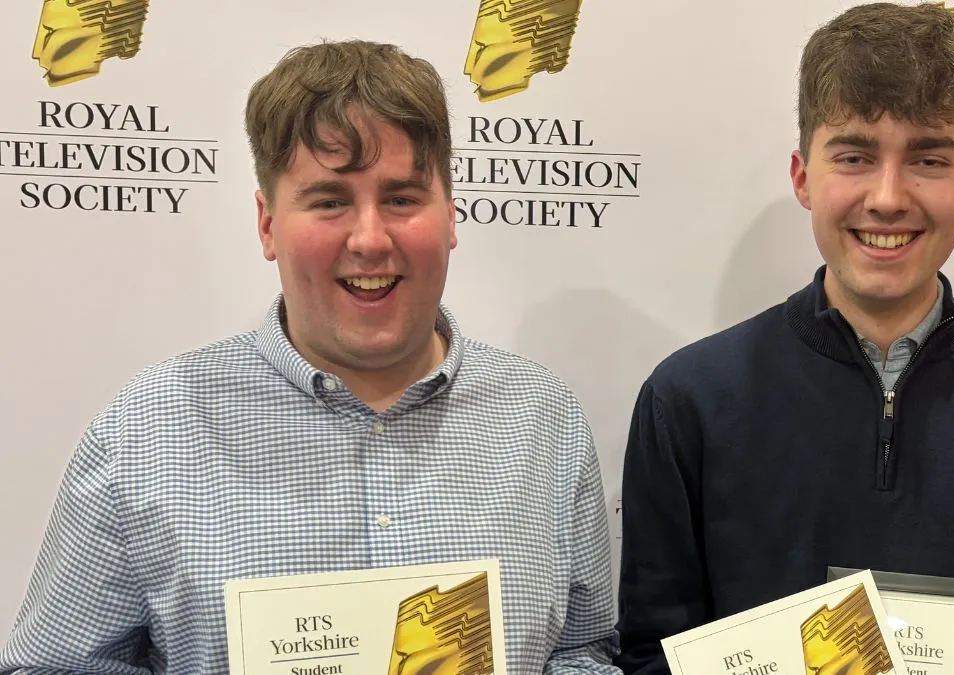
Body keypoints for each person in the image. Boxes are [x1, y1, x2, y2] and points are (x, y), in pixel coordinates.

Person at [0, 40, 620, 674]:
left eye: (403, 198)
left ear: (451, 213)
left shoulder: (545, 416)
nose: (370, 239)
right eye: (329, 201)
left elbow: (585, 651)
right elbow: (51, 666)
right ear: (268, 225)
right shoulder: (148, 428)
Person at [613, 3, 954, 674]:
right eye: (854, 155)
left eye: (928, 159)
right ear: (804, 176)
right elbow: (653, 652)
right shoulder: (688, 400)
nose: (887, 197)